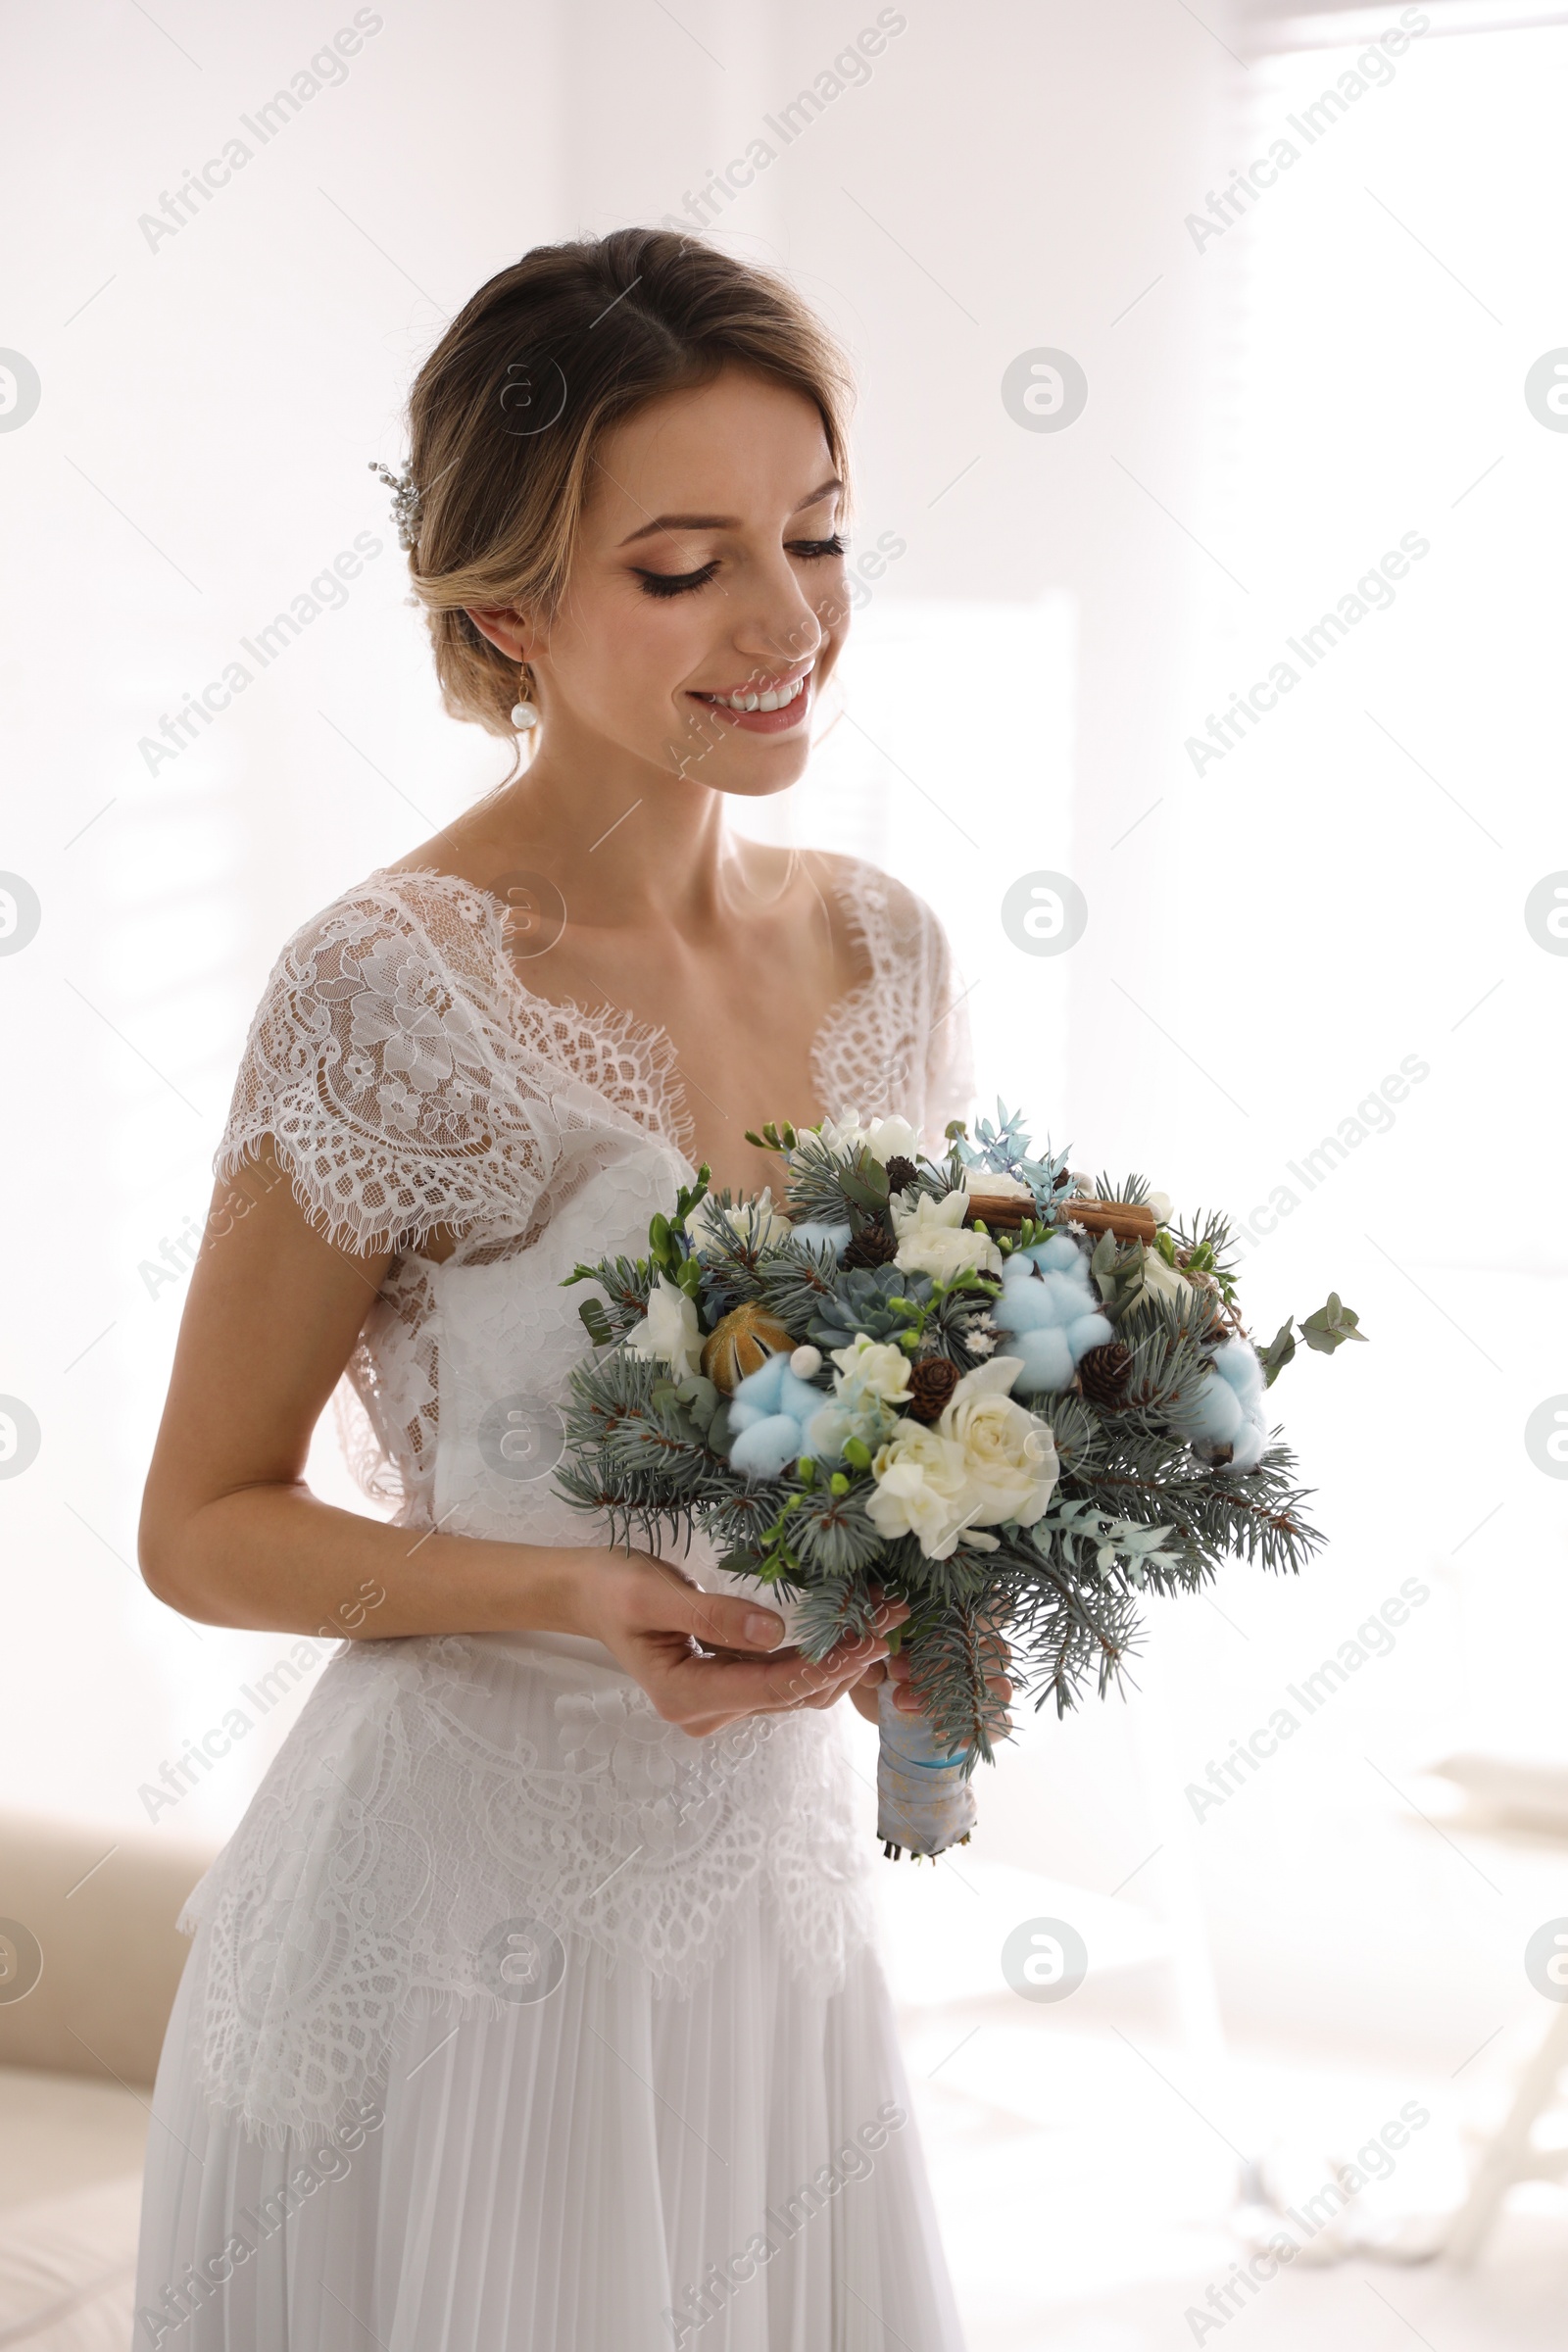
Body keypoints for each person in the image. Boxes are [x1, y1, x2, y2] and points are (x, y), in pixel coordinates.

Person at [133, 226, 997, 2350]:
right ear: (505, 604)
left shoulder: (886, 950)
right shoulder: (384, 986)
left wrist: (927, 1599)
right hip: (441, 1946)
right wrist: (573, 1595)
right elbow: (200, 1526)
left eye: (812, 531)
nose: (791, 620)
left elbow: (905, 1409)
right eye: (685, 564)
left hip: (766, 1944)